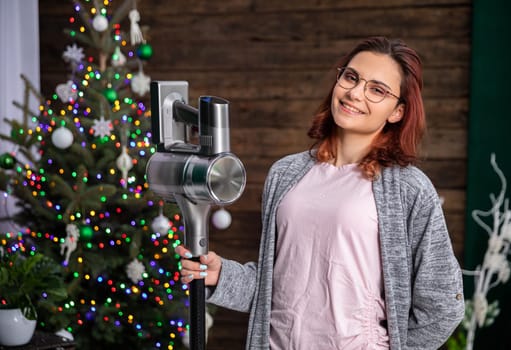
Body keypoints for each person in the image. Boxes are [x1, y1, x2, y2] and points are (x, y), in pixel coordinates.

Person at [175, 36, 465, 349]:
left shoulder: (409, 189)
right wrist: (222, 275)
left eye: (377, 89)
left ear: (397, 112)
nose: (354, 93)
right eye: (351, 77)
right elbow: (282, 286)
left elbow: (443, 305)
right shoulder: (285, 174)